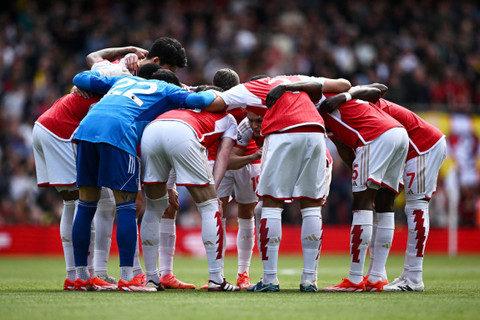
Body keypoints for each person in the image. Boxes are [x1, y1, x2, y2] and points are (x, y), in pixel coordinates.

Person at [70, 66, 224, 292]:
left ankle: (80, 277)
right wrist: (217, 94)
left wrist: (96, 77)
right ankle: (128, 278)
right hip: (118, 133)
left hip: (84, 131)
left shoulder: (122, 81)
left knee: (85, 205)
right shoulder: (166, 89)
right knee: (126, 206)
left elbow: (80, 77)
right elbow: (200, 99)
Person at [31, 45, 151, 291]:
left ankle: (87, 274)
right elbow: (91, 60)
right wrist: (126, 50)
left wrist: (127, 49)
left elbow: (92, 57)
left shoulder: (110, 69)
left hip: (51, 125)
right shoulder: (124, 78)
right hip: (61, 131)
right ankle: (80, 276)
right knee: (82, 201)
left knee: (86, 202)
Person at [217, 75, 351, 292]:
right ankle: (309, 280)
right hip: (316, 133)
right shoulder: (300, 79)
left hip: (283, 133)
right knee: (311, 206)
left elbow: (217, 101)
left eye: (257, 118)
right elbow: (344, 84)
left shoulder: (254, 88)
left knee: (270, 204)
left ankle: (269, 279)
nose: (253, 123)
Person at [85, 38, 190, 287]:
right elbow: (91, 61)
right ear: (156, 62)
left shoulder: (150, 78)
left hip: (119, 135)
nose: (171, 76)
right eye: (170, 71)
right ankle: (125, 272)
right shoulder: (122, 70)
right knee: (121, 203)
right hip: (115, 136)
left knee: (121, 203)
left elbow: (91, 62)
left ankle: (106, 272)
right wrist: (127, 50)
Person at [140, 85, 240, 291]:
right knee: (210, 206)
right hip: (184, 133)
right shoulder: (228, 118)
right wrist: (214, 191)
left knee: (153, 208)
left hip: (153, 129)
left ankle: (151, 279)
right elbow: (223, 156)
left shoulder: (179, 107)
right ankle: (216, 279)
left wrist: (168, 187)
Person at [318, 86, 409, 292]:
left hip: (374, 136)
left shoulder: (326, 101)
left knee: (362, 204)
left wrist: (345, 96)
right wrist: (362, 172)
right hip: (398, 134)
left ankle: (355, 279)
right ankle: (377, 277)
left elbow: (380, 88)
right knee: (385, 203)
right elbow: (345, 150)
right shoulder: (335, 100)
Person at [364, 84, 447, 292]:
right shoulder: (366, 107)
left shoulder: (367, 110)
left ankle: (414, 277)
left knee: (416, 207)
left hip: (422, 147)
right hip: (414, 149)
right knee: (398, 205)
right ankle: (399, 274)